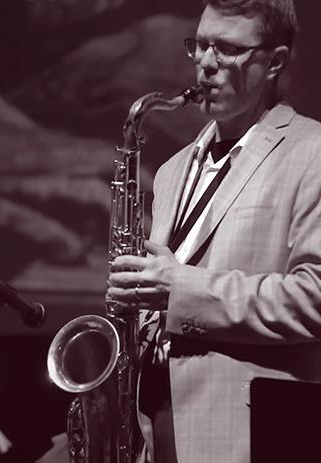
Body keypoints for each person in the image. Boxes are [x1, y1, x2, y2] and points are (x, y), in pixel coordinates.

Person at [107, 0, 321, 462]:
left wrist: (179, 289)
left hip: (249, 436)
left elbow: (314, 299)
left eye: (226, 48)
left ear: (275, 62)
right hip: (156, 431)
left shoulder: (312, 152)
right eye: (200, 45)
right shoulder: (169, 171)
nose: (205, 64)